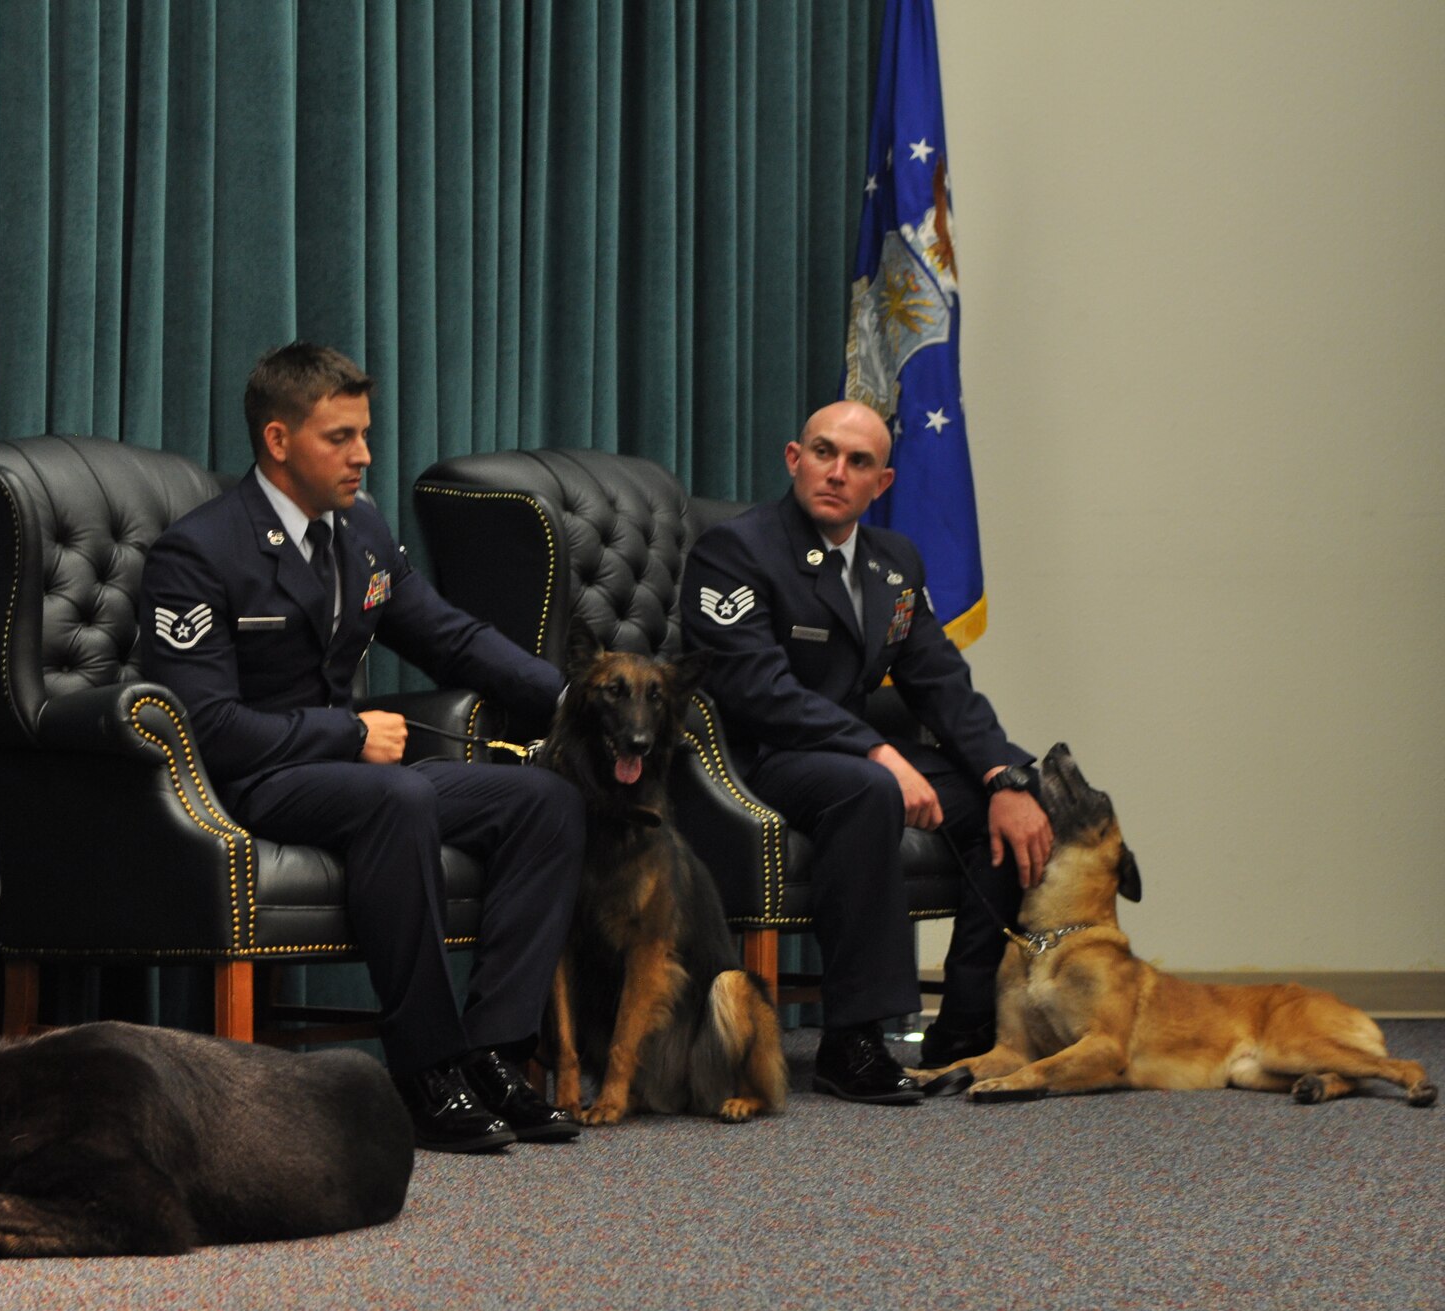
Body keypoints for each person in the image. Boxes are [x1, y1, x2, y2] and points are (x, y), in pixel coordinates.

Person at [140, 342, 582, 1153]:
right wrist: (344, 731)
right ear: (278, 441)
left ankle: (495, 1052)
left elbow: (450, 637)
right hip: (251, 786)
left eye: (364, 435)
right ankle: (427, 1071)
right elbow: (206, 726)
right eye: (339, 437)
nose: (363, 455)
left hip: (351, 776)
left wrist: (566, 698)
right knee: (400, 793)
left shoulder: (362, 530)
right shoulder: (200, 553)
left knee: (544, 803)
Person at [678, 400, 1051, 1104]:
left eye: (857, 463)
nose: (836, 472)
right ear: (795, 458)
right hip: (753, 761)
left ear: (881, 484)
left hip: (848, 752)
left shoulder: (893, 562)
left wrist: (1006, 772)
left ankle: (965, 1030)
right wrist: (877, 750)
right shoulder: (735, 550)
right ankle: (852, 1040)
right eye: (823, 453)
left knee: (997, 804)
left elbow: (940, 680)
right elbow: (758, 688)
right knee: (868, 788)